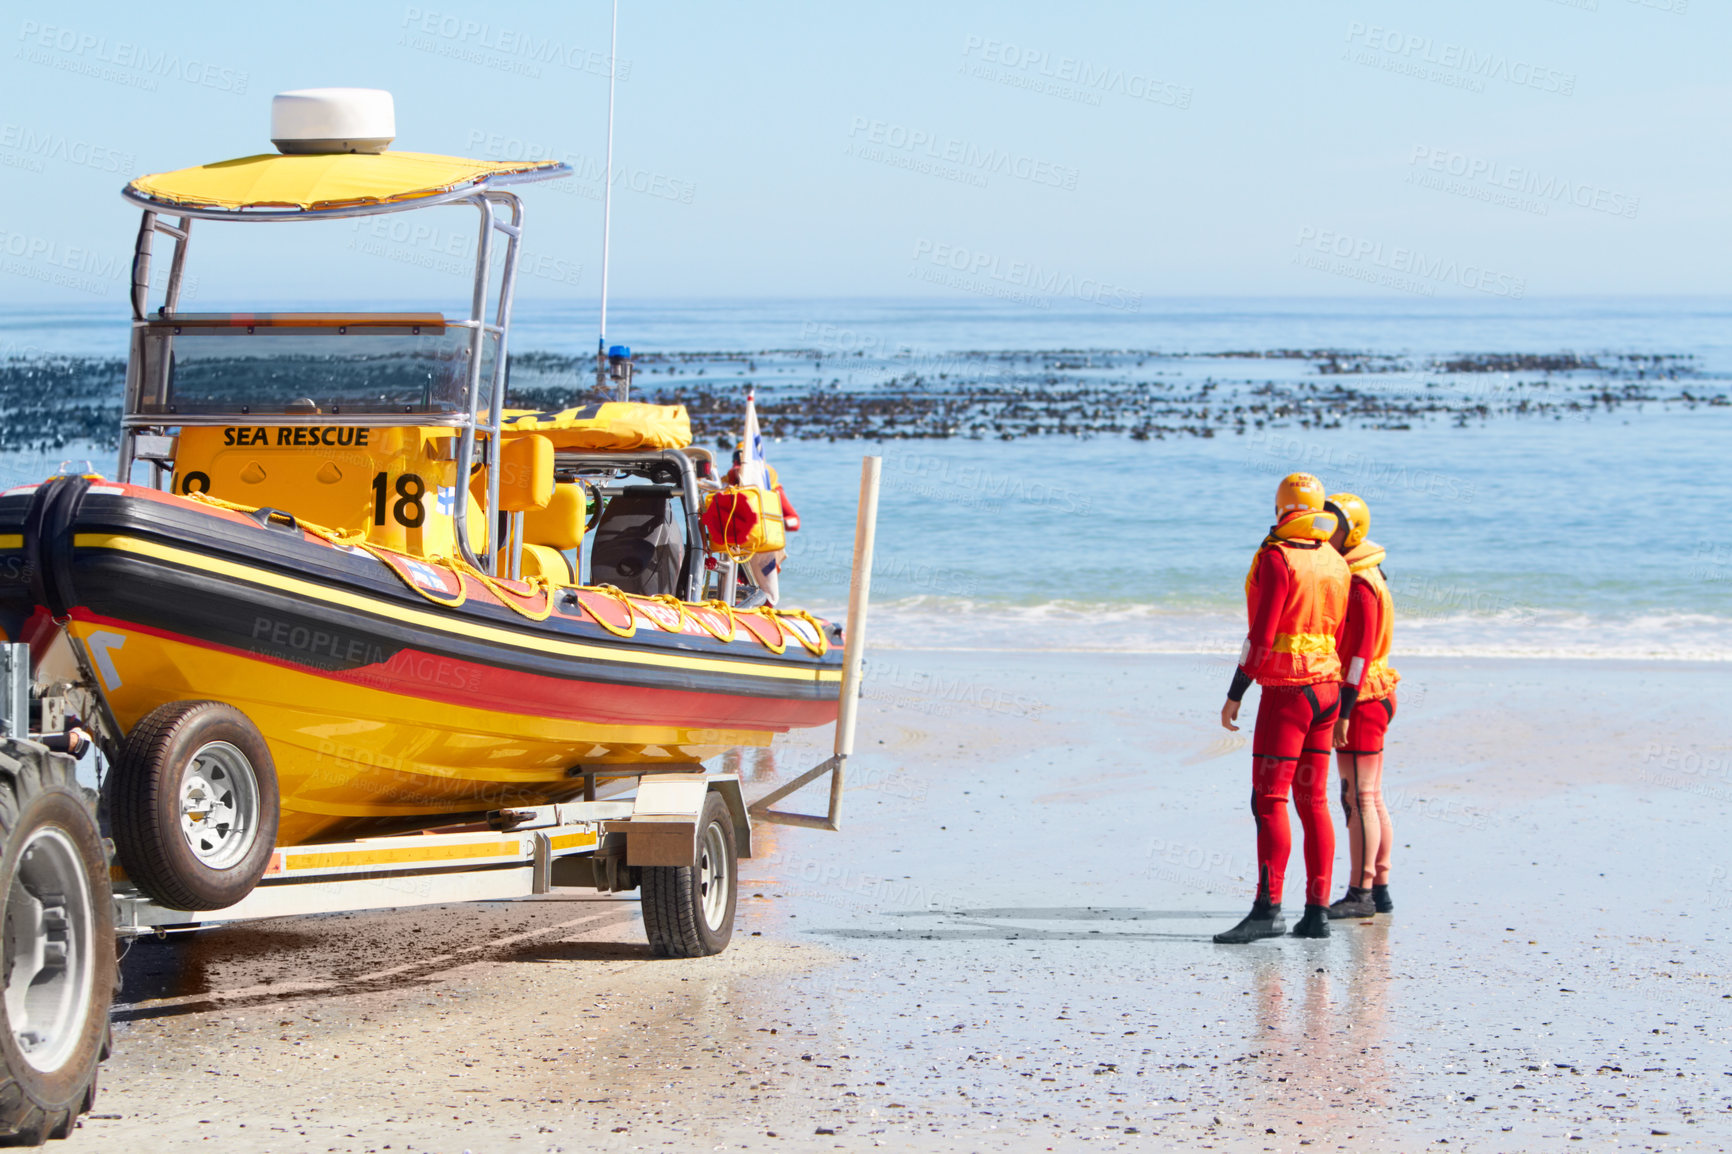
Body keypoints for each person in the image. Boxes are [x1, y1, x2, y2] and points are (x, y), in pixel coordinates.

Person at [1215, 473, 1352, 944]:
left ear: (1279, 510)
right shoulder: (1336, 558)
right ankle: (1316, 913)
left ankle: (1267, 909)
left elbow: (1262, 635)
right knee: (1313, 802)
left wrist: (1237, 690)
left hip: (1289, 692)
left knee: (1269, 799)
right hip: (1328, 688)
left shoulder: (1277, 557)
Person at [1323, 492, 1399, 919]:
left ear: (1349, 531)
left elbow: (1358, 656)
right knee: (1369, 796)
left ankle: (1361, 892)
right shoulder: (1368, 572)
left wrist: (1345, 711)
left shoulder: (1361, 584)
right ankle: (1379, 883)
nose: (1321, 532)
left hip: (1364, 698)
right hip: (1370, 693)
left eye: (1330, 526)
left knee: (1357, 797)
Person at [725, 448, 800, 606]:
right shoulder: (728, 485)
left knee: (767, 590)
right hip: (734, 546)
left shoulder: (771, 488)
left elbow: (794, 521)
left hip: (764, 547)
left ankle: (765, 614)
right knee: (732, 585)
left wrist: (773, 521)